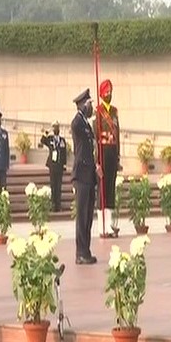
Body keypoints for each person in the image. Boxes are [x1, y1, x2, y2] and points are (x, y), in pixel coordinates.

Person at [71, 88, 99, 265]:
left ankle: (86, 250)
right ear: (82, 105)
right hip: (81, 174)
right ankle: (80, 252)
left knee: (88, 215)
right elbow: (84, 149)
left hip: (89, 175)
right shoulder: (77, 123)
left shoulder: (86, 124)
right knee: (82, 215)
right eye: (89, 104)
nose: (91, 107)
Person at [95, 79, 120, 237]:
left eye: (110, 92)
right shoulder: (98, 112)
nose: (109, 94)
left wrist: (118, 156)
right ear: (101, 94)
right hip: (103, 153)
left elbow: (118, 134)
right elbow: (96, 136)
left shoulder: (115, 111)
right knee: (102, 190)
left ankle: (110, 225)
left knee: (110, 189)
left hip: (112, 154)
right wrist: (97, 160)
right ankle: (101, 226)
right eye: (106, 92)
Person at [40, 120, 67, 212]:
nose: (56, 129)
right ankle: (53, 205)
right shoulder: (50, 139)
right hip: (52, 166)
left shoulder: (62, 140)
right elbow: (42, 141)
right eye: (54, 127)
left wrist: (64, 164)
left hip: (59, 166)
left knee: (59, 186)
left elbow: (64, 153)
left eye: (57, 127)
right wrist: (46, 132)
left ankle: (58, 205)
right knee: (53, 185)